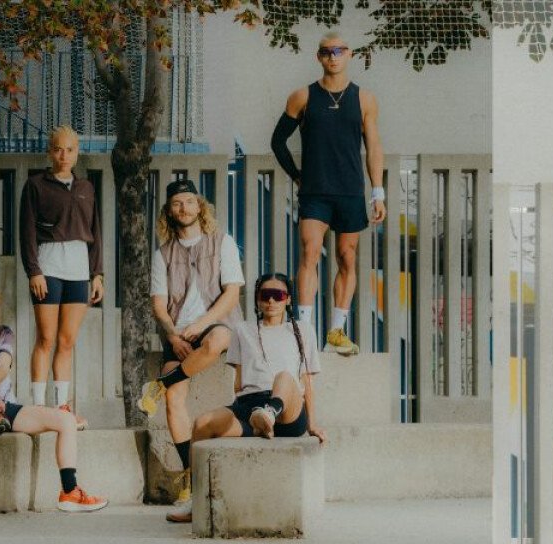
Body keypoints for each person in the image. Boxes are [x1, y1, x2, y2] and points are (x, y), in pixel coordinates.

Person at [166, 273, 327, 523]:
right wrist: (236, 410)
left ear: (288, 300)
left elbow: (307, 382)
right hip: (250, 407)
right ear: (257, 299)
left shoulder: (303, 330)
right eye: (265, 295)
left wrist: (313, 424)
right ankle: (196, 499)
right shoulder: (242, 330)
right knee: (201, 424)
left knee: (284, 377)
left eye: (278, 295)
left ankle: (269, 414)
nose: (271, 301)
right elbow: (239, 382)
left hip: (287, 411)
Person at [0, 279, 108, 512]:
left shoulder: (3, 332)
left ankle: (70, 492)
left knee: (65, 420)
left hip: (0, 407)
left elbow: (4, 367)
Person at [270, 31, 387, 355]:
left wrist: (378, 192)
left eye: (338, 51)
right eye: (326, 52)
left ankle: (336, 331)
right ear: (318, 57)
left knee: (347, 257)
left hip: (350, 190)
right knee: (310, 252)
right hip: (315, 192)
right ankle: (305, 330)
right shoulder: (302, 97)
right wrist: (297, 176)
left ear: (349, 54)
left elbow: (374, 146)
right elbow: (277, 141)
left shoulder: (364, 99)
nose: (333, 57)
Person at [136, 179, 244, 517]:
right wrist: (173, 335)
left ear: (200, 206)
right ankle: (190, 475)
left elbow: (232, 294)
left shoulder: (223, 242)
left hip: (215, 323)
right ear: (169, 211)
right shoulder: (162, 254)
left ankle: (159, 384)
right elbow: (158, 304)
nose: (183, 208)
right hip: (179, 332)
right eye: (176, 203)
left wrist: (201, 323)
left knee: (218, 340)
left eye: (189, 201)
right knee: (174, 400)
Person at [20, 125, 103, 427]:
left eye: (69, 150)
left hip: (79, 270)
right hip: (49, 266)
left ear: (77, 153)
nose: (63, 155)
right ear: (49, 152)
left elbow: (95, 232)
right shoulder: (35, 185)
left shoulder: (86, 188)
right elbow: (26, 232)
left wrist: (97, 274)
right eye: (57, 149)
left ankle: (62, 406)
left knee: (67, 341)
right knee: (46, 338)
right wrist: (34, 271)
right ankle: (38, 406)